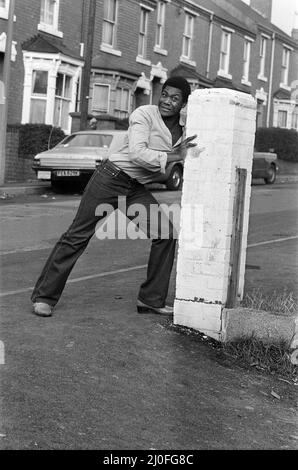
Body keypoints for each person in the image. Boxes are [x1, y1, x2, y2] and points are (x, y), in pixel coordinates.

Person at [31, 76, 197, 317]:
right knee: (78, 235)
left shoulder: (185, 130)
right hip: (110, 178)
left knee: (166, 234)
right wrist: (176, 156)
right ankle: (44, 297)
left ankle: (150, 299)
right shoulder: (144, 114)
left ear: (183, 104)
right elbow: (138, 153)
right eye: (164, 95)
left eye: (175, 98)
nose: (167, 102)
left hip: (135, 188)